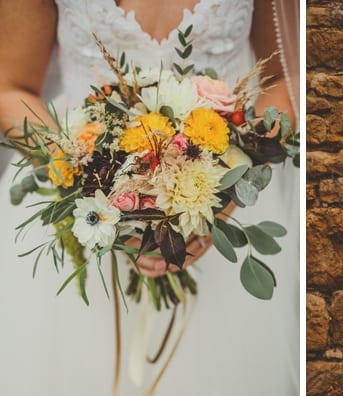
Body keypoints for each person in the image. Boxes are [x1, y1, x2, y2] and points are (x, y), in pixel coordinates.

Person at [0, 1, 300, 395]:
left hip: (222, 215)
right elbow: (12, 89)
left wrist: (219, 198)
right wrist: (95, 191)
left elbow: (287, 78)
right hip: (82, 210)